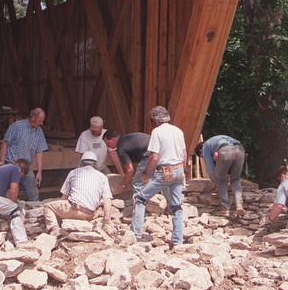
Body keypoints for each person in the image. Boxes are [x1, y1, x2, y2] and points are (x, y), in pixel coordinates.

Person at [131, 106, 187, 247]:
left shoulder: (157, 132)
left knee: (140, 198)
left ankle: (135, 235)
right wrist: (182, 172)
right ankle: (177, 241)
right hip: (179, 169)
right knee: (176, 206)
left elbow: (154, 157)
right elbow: (184, 154)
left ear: (155, 119)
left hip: (166, 171)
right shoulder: (178, 131)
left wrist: (147, 173)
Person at [42, 151, 113, 236]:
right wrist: (107, 219)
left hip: (72, 209)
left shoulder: (73, 172)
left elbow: (64, 196)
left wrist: (61, 215)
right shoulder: (102, 177)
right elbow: (107, 199)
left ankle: (54, 229)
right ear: (95, 163)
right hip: (88, 213)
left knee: (48, 206)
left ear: (81, 163)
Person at [0, 108, 48, 201]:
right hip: (12, 165)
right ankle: (6, 213)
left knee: (34, 194)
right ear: (33, 118)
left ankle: (36, 213)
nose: (41, 123)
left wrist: (39, 172)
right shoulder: (16, 126)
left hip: (27, 167)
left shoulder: (39, 131)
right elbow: (5, 143)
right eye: (40, 121)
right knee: (8, 194)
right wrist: (2, 163)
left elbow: (39, 152)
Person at [196, 136, 247, 216]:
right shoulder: (214, 142)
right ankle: (239, 204)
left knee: (220, 181)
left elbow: (210, 167)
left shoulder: (205, 148)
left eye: (201, 156)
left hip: (226, 150)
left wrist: (215, 180)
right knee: (235, 179)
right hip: (239, 149)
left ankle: (225, 208)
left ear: (200, 151)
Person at [104, 130, 150, 195]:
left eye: (107, 143)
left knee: (137, 183)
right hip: (156, 149)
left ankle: (140, 203)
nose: (107, 146)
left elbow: (130, 170)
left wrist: (123, 185)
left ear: (113, 139)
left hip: (149, 153)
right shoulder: (125, 140)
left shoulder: (121, 148)